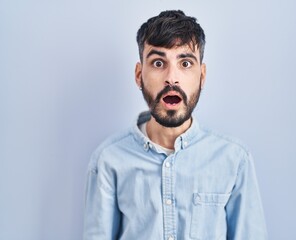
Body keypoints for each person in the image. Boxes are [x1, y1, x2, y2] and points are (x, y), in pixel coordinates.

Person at [83, 10, 268, 240]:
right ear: (139, 75)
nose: (172, 77)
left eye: (185, 63)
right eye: (158, 63)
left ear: (202, 76)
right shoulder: (108, 160)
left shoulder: (234, 159)